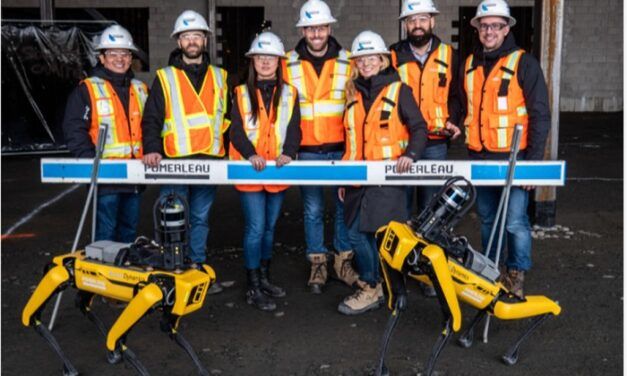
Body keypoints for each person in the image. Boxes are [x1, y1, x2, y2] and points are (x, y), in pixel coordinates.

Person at [462, 0, 550, 298]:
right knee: (487, 219)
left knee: (514, 221)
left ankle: (516, 271)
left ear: (505, 28)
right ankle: (491, 269)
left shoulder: (524, 63)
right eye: (484, 26)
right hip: (480, 157)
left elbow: (540, 114)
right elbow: (464, 107)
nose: (489, 31)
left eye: (495, 26)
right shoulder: (471, 63)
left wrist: (533, 164)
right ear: (478, 29)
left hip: (516, 159)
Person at [337, 31, 428, 315]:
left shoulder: (398, 90)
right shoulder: (351, 93)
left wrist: (411, 155)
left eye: (371, 58)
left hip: (387, 179)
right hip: (355, 178)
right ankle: (376, 284)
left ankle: (373, 286)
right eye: (361, 59)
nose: (366, 63)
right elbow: (350, 138)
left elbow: (419, 128)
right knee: (355, 235)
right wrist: (343, 174)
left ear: (382, 60)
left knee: (378, 235)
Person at [141, 10, 230, 289]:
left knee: (200, 219)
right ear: (179, 42)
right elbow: (152, 117)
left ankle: (196, 268)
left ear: (205, 40)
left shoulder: (220, 77)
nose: (192, 41)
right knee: (173, 219)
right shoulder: (165, 77)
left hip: (209, 159)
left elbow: (229, 117)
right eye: (186, 36)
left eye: (197, 36)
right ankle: (172, 273)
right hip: (175, 160)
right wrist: (153, 147)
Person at [282, 0, 358, 294]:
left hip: (341, 147)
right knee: (312, 209)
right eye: (310, 28)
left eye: (321, 27)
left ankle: (342, 262)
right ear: (303, 30)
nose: (316, 33)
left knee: (342, 208)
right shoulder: (286, 63)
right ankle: (318, 263)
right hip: (307, 149)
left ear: (329, 28)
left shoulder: (348, 61)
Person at [389, 0, 462, 297]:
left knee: (432, 212)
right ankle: (404, 268)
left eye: (422, 19)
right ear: (405, 24)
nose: (416, 24)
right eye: (411, 20)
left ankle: (428, 270)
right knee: (402, 209)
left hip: (434, 144)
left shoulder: (450, 55)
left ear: (432, 21)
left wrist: (455, 120)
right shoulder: (392, 55)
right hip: (402, 145)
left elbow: (458, 95)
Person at [229, 32, 301, 312]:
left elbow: (294, 128)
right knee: (256, 228)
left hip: (277, 168)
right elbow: (235, 130)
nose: (265, 62)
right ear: (252, 61)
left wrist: (290, 153)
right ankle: (252, 284)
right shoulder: (239, 91)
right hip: (251, 169)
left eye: (270, 57)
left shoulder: (291, 93)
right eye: (260, 57)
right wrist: (251, 154)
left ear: (279, 61)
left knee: (270, 229)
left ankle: (265, 277)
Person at [63, 24, 147, 243]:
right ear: (102, 57)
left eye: (125, 54)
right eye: (113, 53)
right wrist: (88, 159)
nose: (119, 59)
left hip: (135, 174)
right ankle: (102, 273)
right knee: (106, 232)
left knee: (129, 230)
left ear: (131, 58)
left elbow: (150, 125)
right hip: (106, 176)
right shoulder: (88, 89)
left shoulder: (140, 88)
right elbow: (74, 127)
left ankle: (122, 272)